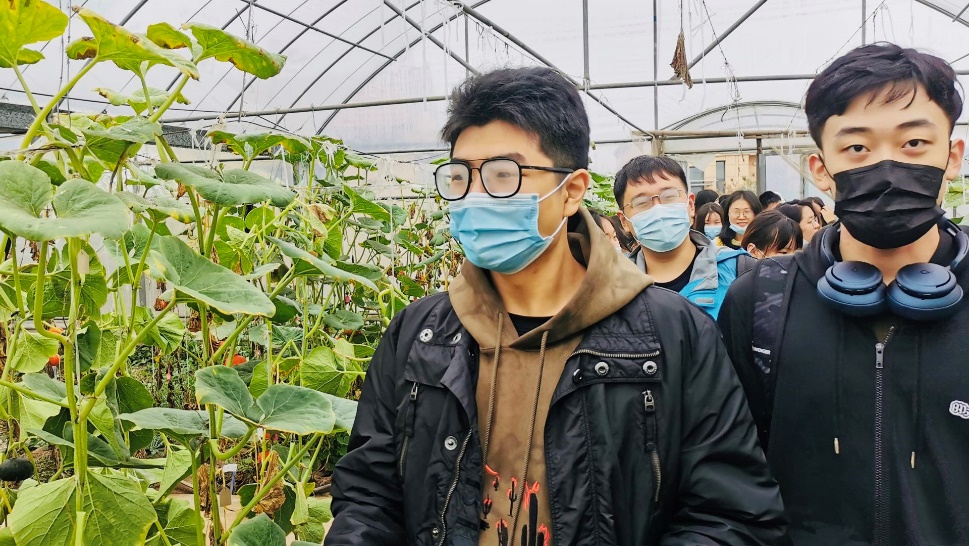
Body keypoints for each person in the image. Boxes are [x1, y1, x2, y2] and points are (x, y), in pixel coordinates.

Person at [326, 67, 787, 546]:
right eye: (460, 177)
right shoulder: (419, 333)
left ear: (571, 191)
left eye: (503, 175)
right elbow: (369, 495)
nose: (474, 196)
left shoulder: (673, 334)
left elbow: (732, 514)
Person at [718, 43, 968, 545]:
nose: (887, 166)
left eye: (914, 142)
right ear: (820, 168)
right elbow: (727, 475)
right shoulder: (761, 300)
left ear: (953, 156)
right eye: (857, 148)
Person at [614, 156, 756, 319]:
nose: (659, 210)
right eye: (641, 202)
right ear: (623, 221)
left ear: (690, 205)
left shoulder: (741, 271)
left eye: (669, 196)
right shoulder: (612, 287)